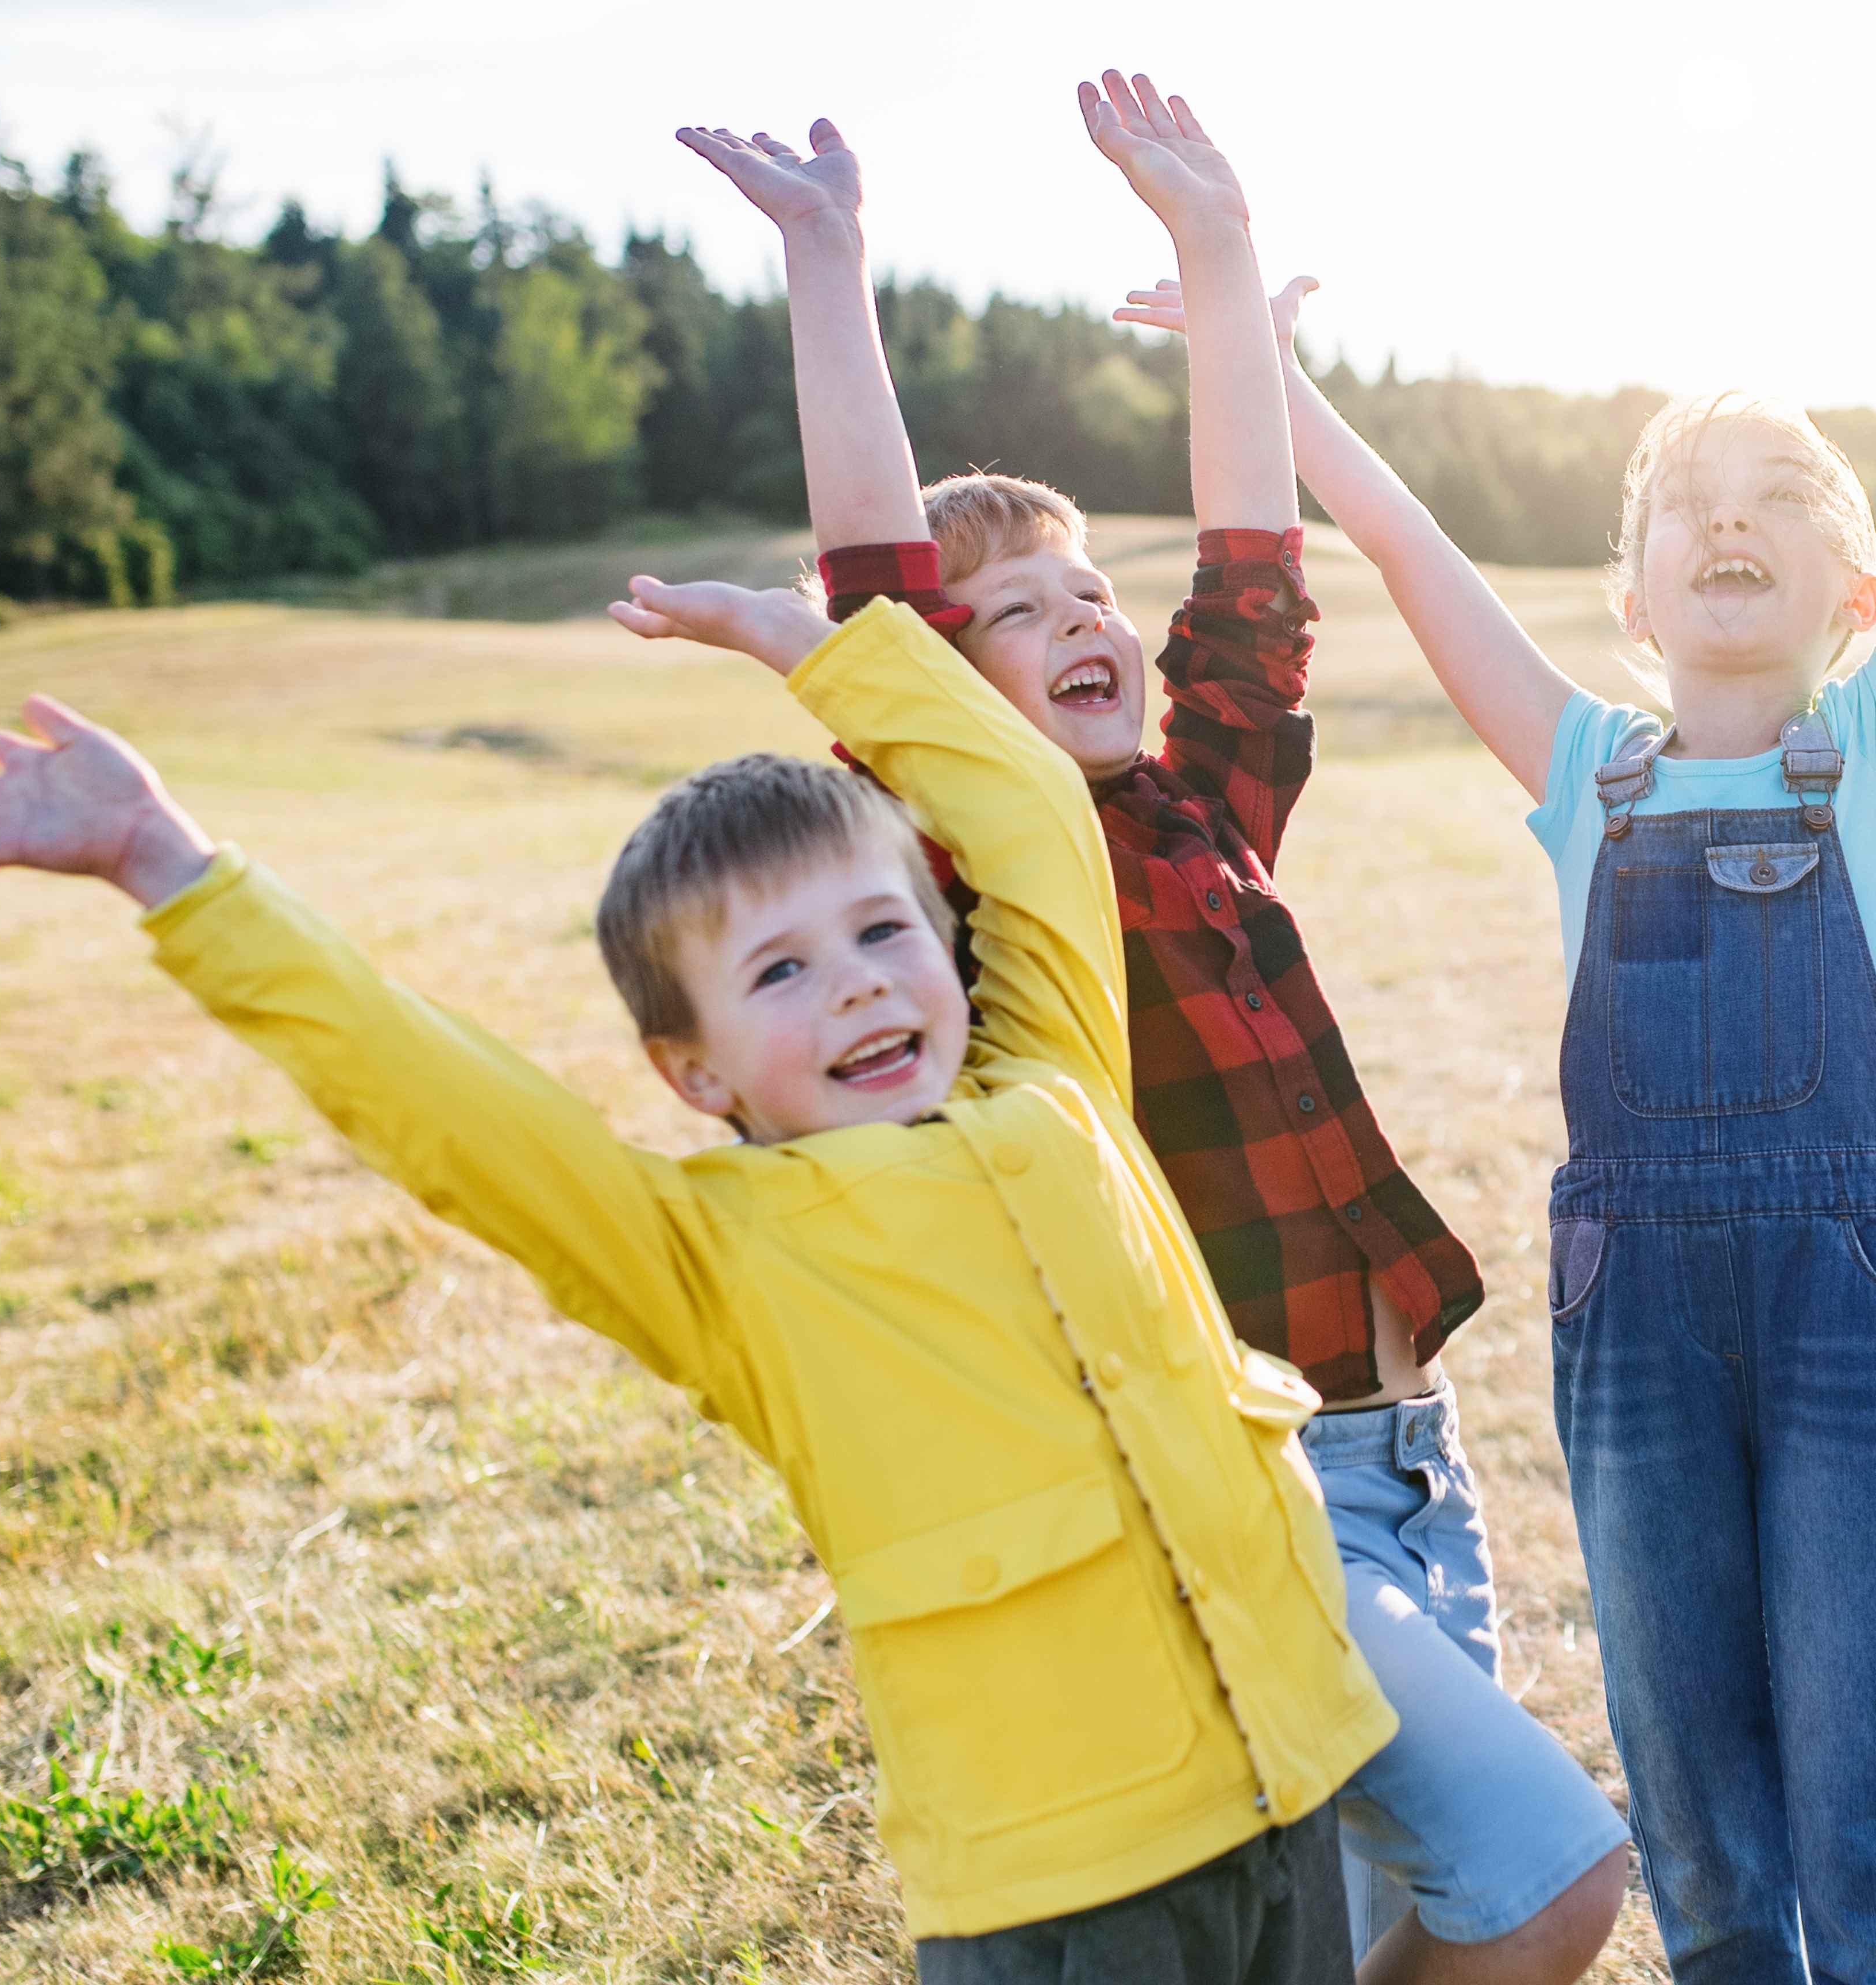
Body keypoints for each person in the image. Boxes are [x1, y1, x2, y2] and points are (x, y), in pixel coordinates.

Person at [0, 532, 1392, 1980]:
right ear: (694, 1071)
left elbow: (1029, 809)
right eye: (781, 970)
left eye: (884, 932)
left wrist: (810, 650)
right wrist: (172, 865)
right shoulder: (713, 1254)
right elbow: (450, 1112)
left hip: (1290, 1773)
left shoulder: (1055, 1068)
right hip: (1073, 1874)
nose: (859, 989)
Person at [1122, 52, 1876, 1983]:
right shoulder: (1585, 769)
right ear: (1634, 594)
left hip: (1849, 1304)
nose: (1727, 523)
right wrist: (1261, 358)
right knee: (1691, 1784)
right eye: (1687, 506)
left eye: (1777, 501)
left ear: (1858, 592)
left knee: (1868, 1760)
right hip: (1640, 1327)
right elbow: (1403, 546)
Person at [610, 84, 1631, 1985]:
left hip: (1413, 1452)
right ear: (946, 697)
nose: (1087, 617)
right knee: (1501, 1890)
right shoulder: (991, 889)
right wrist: (828, 260)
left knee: (1425, 1921)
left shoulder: (1205, 805)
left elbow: (1253, 569)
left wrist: (1221, 257)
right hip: (1256, 1481)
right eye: (1018, 615)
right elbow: (880, 603)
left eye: (1093, 592)